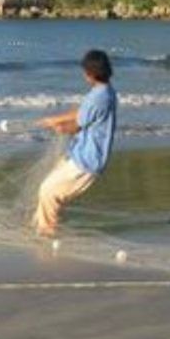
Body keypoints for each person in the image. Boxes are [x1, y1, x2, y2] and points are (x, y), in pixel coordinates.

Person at [32, 49, 118, 236]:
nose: (84, 74)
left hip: (87, 160)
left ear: (91, 73)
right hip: (79, 154)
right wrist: (54, 119)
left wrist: (61, 128)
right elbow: (81, 113)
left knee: (48, 191)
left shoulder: (99, 97)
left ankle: (48, 236)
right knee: (48, 190)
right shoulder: (104, 91)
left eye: (85, 70)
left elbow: (76, 125)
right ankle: (42, 229)